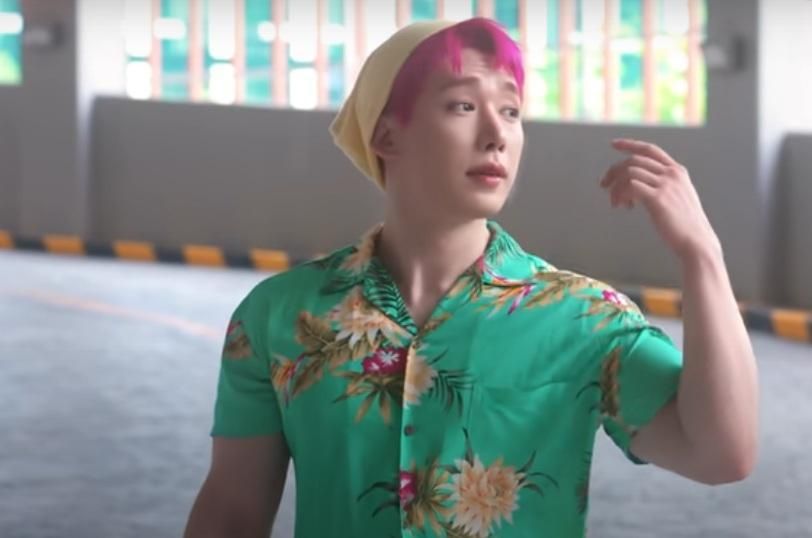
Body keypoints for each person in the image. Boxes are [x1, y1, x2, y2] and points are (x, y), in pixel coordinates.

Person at [184, 17, 758, 538]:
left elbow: (720, 454)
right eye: (462, 105)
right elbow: (232, 511)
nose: (496, 134)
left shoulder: (585, 318)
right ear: (386, 135)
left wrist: (702, 256)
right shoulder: (280, 315)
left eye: (510, 111)